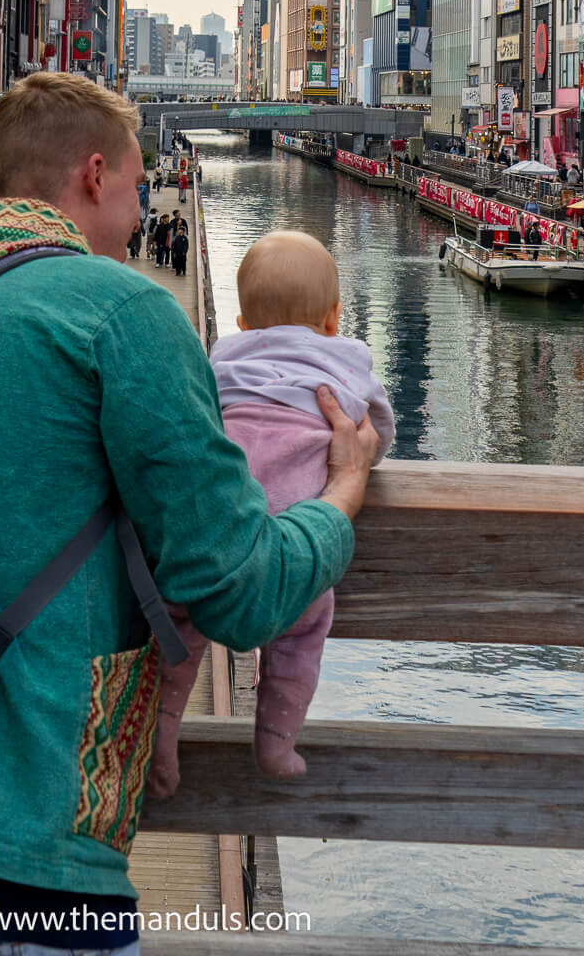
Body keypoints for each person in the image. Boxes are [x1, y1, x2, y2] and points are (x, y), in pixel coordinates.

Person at [0, 73, 377, 955]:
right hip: (32, 859)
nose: (141, 203)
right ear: (94, 175)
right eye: (135, 181)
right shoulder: (122, 311)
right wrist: (342, 494)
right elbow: (237, 591)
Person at [150, 231, 393, 795]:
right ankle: (276, 740)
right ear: (334, 318)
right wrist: (361, 462)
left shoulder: (222, 358)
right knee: (302, 629)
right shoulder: (348, 362)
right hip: (291, 526)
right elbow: (374, 433)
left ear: (242, 321)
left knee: (178, 626)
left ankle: (161, 738)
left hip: (219, 520)